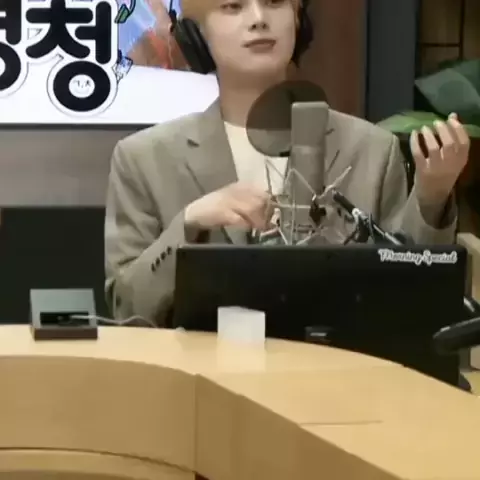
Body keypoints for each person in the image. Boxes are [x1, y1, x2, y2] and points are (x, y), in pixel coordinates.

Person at [104, 0, 471, 326]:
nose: (258, 19)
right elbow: (127, 307)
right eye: (233, 7)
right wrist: (188, 223)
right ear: (195, 36)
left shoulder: (371, 150)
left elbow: (418, 303)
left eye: (275, 2)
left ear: (298, 20)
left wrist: (432, 196)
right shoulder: (144, 159)